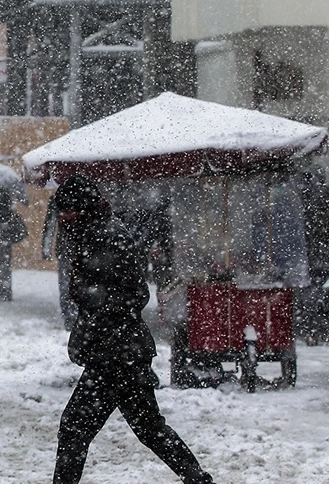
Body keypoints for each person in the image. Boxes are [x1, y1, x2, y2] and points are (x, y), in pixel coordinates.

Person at [51, 176, 217, 484]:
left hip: (116, 354)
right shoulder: (95, 232)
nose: (62, 218)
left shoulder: (107, 235)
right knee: (149, 428)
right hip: (119, 352)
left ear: (81, 208)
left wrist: (91, 297)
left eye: (66, 212)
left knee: (75, 428)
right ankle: (198, 480)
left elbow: (134, 293)